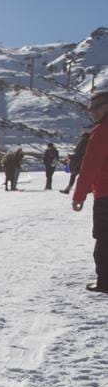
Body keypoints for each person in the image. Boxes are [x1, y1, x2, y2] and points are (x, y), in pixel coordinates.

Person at [72, 91, 108, 293]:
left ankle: (105, 281)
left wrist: (79, 196)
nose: (92, 113)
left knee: (104, 237)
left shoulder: (102, 131)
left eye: (95, 108)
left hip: (106, 194)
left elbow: (90, 166)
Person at [63, 127, 92, 195]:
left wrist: (71, 156)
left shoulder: (83, 143)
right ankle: (87, 189)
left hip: (79, 163)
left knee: (74, 176)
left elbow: (78, 153)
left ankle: (70, 189)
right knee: (81, 177)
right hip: (83, 162)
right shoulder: (88, 143)